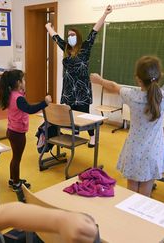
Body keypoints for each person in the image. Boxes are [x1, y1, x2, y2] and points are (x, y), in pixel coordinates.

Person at [90, 27, 164, 197]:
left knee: (131, 192)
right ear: (159, 76)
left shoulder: (132, 95)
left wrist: (99, 80)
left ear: (137, 78)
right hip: (154, 152)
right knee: (145, 194)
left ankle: (129, 220)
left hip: (133, 150)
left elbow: (113, 86)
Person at [45, 5, 112, 148]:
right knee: (70, 113)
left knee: (84, 114)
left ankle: (92, 137)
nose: (70, 37)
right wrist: (47, 26)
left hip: (81, 89)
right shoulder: (66, 49)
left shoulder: (85, 48)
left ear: (78, 37)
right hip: (69, 89)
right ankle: (74, 132)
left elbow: (95, 30)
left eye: (73, 35)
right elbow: (55, 37)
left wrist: (105, 14)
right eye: (69, 35)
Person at [0, 70, 52, 191]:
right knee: (17, 158)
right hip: (17, 133)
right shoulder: (19, 99)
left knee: (15, 157)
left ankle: (13, 179)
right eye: (23, 80)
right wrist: (45, 103)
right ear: (18, 83)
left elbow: (22, 104)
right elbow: (30, 109)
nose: (25, 82)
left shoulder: (12, 94)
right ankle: (16, 183)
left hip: (12, 130)